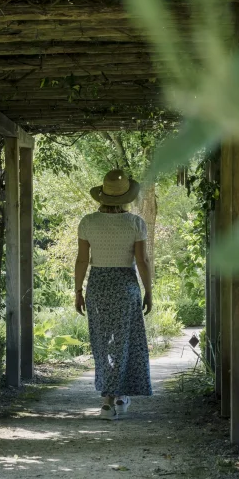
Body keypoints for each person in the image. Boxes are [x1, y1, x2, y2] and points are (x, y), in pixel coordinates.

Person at [74, 169, 153, 420]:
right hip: (125, 286)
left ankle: (108, 400)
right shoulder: (135, 223)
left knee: (102, 342)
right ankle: (120, 396)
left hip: (98, 285)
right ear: (126, 197)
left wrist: (78, 291)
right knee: (125, 341)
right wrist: (149, 291)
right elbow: (142, 261)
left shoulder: (88, 222)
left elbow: (82, 260)